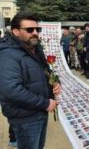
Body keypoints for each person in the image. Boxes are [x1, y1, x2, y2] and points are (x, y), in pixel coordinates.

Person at [0, 12, 62, 149]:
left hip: (39, 112)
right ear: (15, 31)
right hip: (26, 118)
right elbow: (10, 90)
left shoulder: (35, 49)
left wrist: (56, 82)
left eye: (37, 29)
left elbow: (45, 72)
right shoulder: (7, 54)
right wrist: (45, 103)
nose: (35, 33)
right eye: (29, 30)